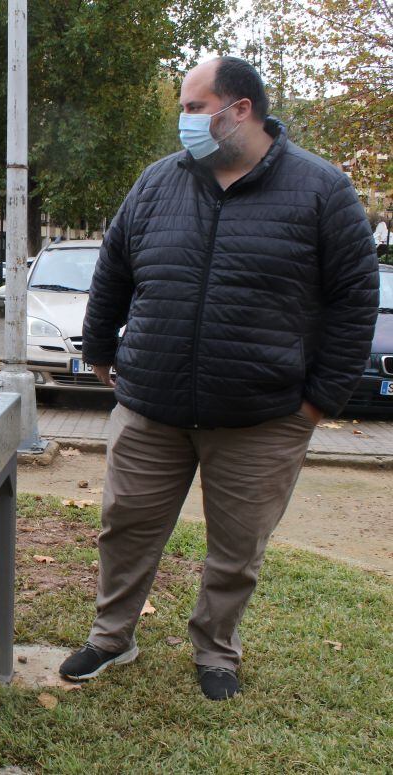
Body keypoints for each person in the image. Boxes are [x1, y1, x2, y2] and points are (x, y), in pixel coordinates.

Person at [62, 57, 379, 700]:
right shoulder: (157, 184)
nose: (184, 121)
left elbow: (354, 302)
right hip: (152, 407)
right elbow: (114, 272)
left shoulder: (322, 189)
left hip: (264, 417)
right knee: (125, 527)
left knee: (236, 550)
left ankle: (216, 651)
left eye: (193, 106)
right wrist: (98, 349)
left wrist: (320, 402)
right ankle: (111, 636)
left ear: (239, 109)